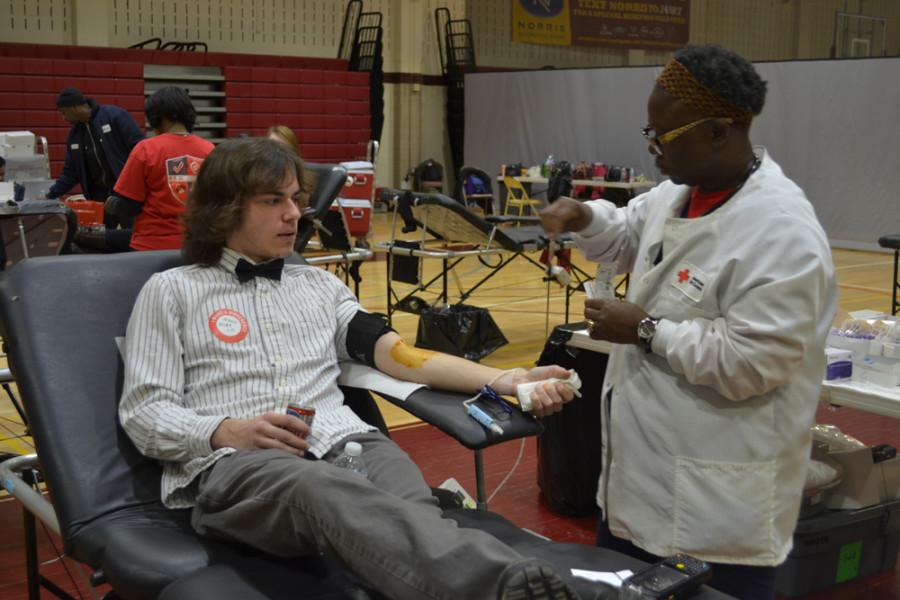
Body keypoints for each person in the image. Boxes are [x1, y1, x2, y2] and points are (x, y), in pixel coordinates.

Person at [119, 137, 584, 600]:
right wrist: (226, 430)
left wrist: (506, 379)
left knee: (413, 513)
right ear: (224, 209)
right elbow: (145, 411)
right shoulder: (172, 292)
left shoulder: (321, 287)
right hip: (240, 466)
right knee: (322, 491)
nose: (294, 213)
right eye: (272, 201)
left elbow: (399, 355)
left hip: (348, 445)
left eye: (295, 199)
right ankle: (505, 586)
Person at [540, 44, 836, 600]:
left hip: (715, 509)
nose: (652, 150)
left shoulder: (780, 230)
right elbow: (627, 232)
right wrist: (586, 216)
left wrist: (646, 330)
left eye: (664, 137)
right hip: (635, 490)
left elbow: (756, 362)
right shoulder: (680, 192)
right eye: (649, 132)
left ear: (721, 132)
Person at [106, 86, 214, 251]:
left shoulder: (146, 149)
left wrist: (110, 204)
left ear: (157, 117)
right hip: (197, 247)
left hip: (151, 247)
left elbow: (130, 206)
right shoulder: (210, 150)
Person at [46, 87, 144, 229]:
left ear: (74, 107)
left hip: (126, 194)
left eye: (64, 113)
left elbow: (140, 148)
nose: (64, 118)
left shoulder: (114, 116)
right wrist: (50, 195)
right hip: (99, 199)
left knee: (133, 235)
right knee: (105, 239)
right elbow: (70, 173)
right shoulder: (74, 136)